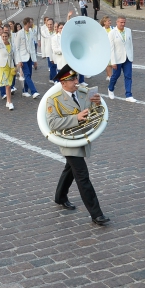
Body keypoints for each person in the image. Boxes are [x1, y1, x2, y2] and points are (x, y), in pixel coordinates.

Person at [46, 65, 110, 226]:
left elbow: (94, 113)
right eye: (72, 79)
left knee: (70, 169)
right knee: (82, 177)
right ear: (63, 82)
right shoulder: (53, 100)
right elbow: (52, 123)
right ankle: (96, 214)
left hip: (82, 138)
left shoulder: (83, 93)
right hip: (69, 142)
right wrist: (76, 118)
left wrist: (97, 103)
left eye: (76, 78)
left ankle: (60, 196)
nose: (76, 81)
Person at [107, 16, 135, 102]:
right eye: (121, 22)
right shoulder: (112, 33)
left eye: (124, 22)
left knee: (128, 76)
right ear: (117, 22)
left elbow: (130, 44)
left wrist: (131, 56)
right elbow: (111, 48)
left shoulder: (128, 30)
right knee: (116, 75)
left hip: (127, 58)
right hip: (117, 58)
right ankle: (110, 89)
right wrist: (113, 61)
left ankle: (128, 95)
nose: (123, 24)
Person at [14, 17, 39, 99]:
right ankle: (34, 91)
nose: (32, 24)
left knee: (29, 75)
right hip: (23, 58)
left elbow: (32, 47)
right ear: (27, 23)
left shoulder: (31, 32)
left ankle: (25, 91)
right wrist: (19, 60)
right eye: (31, 22)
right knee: (27, 75)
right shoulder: (20, 33)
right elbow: (17, 48)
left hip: (30, 57)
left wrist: (35, 60)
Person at [0, 30, 16, 110]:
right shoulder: (0, 45)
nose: (4, 38)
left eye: (6, 36)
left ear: (8, 37)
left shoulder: (12, 45)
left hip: (10, 67)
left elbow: (15, 55)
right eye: (3, 36)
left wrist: (17, 64)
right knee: (7, 85)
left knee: (9, 85)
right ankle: (10, 102)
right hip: (3, 67)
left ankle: (8, 101)